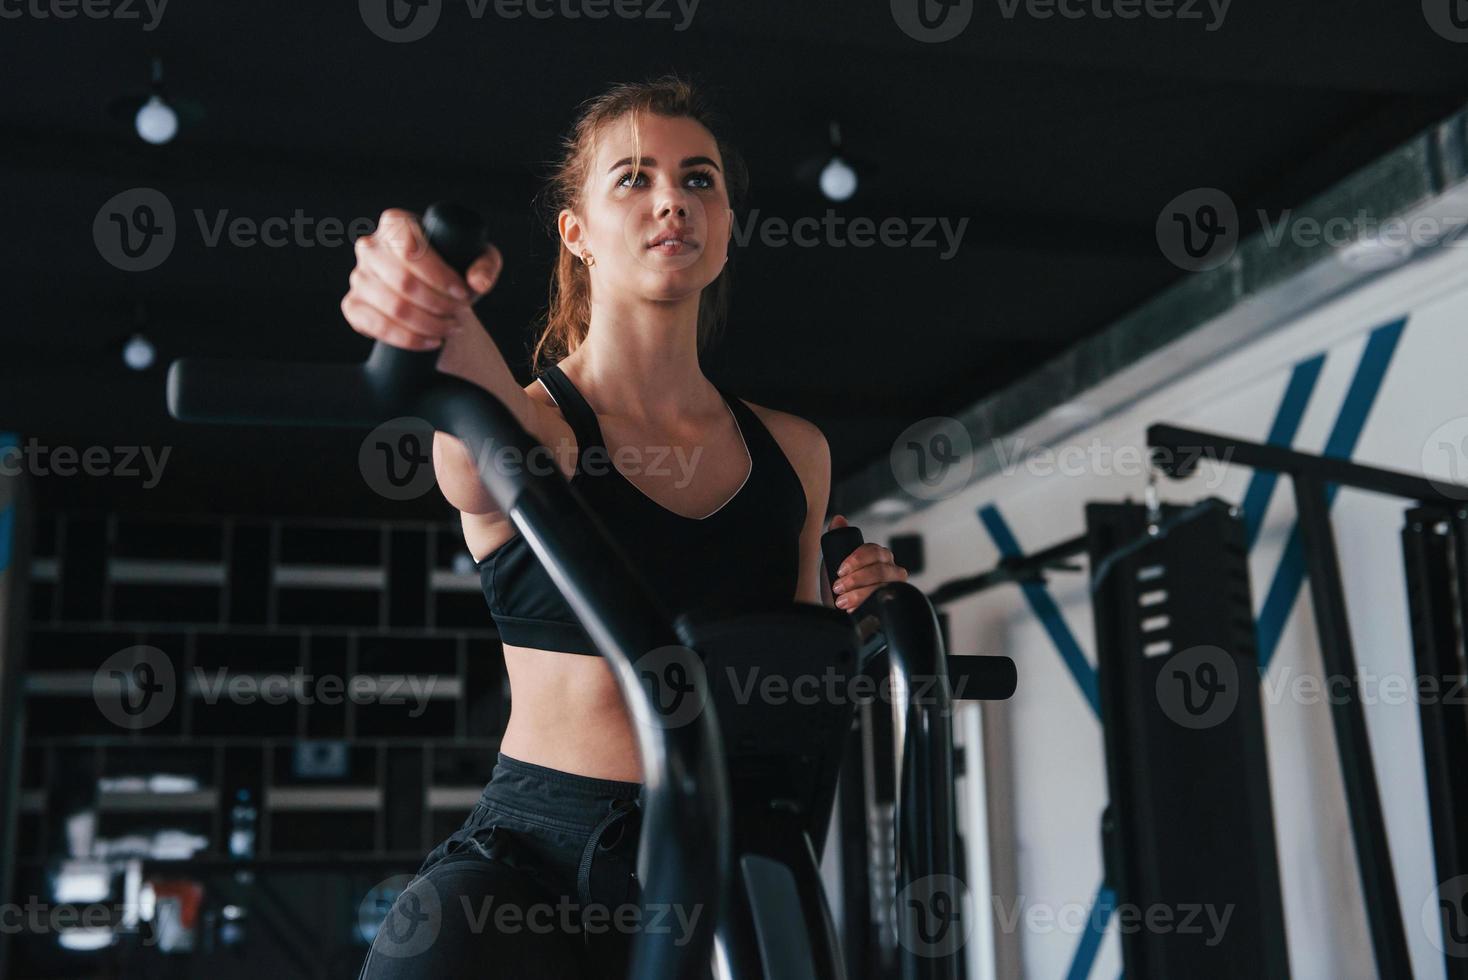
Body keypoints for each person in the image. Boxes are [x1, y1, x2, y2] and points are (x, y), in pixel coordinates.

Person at [347, 75, 910, 979]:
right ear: (576, 233)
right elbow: (460, 383)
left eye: (699, 181)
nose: (671, 202)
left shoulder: (796, 453)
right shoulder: (541, 430)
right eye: (633, 179)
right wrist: (420, 296)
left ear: (725, 229)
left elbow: (780, 685)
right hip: (533, 873)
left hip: (726, 859)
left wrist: (858, 624)